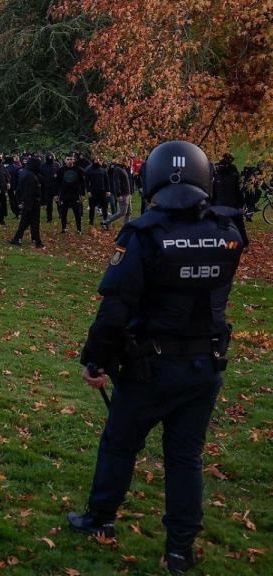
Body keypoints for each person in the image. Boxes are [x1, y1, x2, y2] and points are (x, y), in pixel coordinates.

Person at [69, 140, 244, 575]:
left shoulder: (143, 235)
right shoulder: (227, 233)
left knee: (119, 443)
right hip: (205, 365)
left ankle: (101, 517)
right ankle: (180, 548)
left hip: (151, 367)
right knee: (186, 457)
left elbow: (114, 311)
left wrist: (95, 361)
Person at [9, 155, 44, 247]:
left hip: (30, 202)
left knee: (26, 222)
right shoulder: (30, 176)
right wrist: (27, 205)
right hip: (32, 203)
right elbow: (28, 192)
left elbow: (19, 190)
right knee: (32, 222)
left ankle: (19, 238)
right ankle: (36, 240)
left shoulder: (26, 173)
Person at [56, 155, 87, 233]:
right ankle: (64, 228)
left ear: (73, 160)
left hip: (75, 194)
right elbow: (57, 183)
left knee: (77, 213)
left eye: (71, 159)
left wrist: (83, 194)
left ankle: (79, 229)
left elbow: (82, 183)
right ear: (65, 160)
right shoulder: (61, 170)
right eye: (68, 159)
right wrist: (56, 194)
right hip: (64, 194)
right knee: (63, 212)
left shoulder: (78, 170)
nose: (70, 161)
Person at [86, 159, 110, 226]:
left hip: (102, 191)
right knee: (92, 208)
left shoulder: (103, 170)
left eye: (99, 160)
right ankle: (91, 221)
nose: (98, 161)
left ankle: (105, 221)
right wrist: (88, 191)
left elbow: (106, 181)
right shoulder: (89, 170)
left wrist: (108, 191)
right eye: (96, 160)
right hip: (93, 191)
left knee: (104, 208)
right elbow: (86, 182)